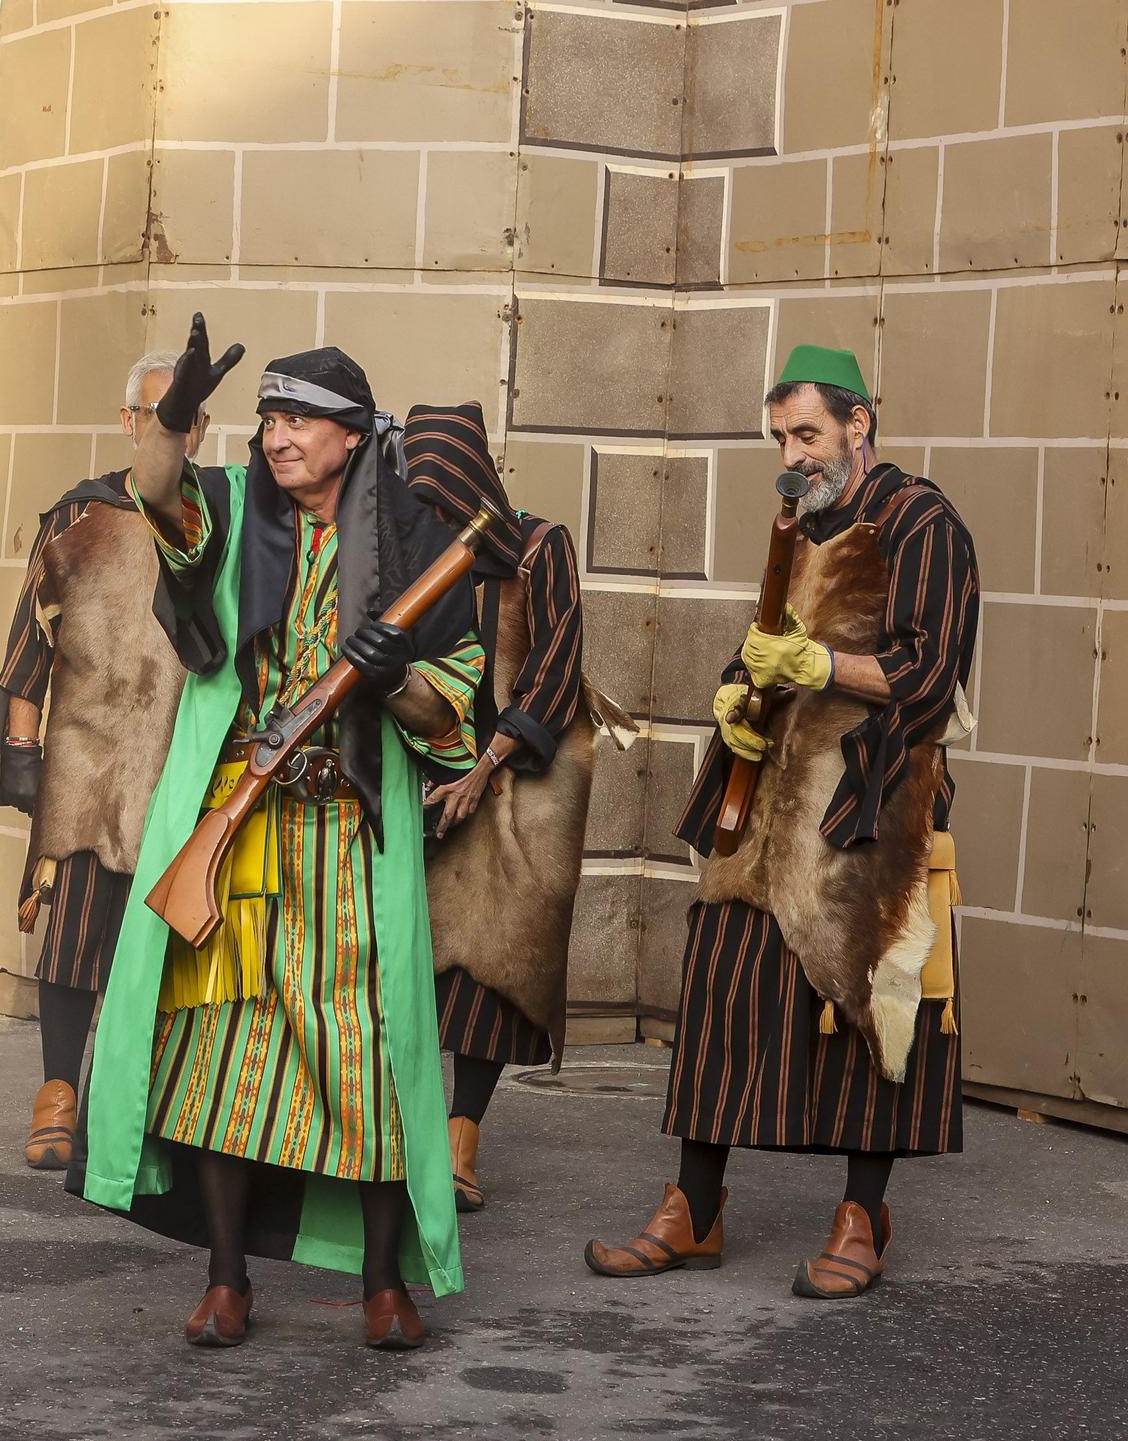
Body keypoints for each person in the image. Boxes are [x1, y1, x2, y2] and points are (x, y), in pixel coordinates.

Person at [74, 315, 477, 1351]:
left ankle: (384, 1284)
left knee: (369, 1057)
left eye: (301, 418)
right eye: (269, 417)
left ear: (352, 437)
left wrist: (392, 681)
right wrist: (171, 419)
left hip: (351, 837)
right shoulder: (229, 508)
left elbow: (451, 713)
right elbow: (155, 490)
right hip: (238, 828)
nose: (279, 433)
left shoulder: (416, 544)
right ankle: (224, 1279)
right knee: (220, 1052)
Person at [584, 345, 979, 1300]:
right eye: (780, 437)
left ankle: (861, 1214)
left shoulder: (920, 521)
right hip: (762, 806)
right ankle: (696, 1205)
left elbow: (933, 672)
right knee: (723, 986)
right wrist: (734, 690)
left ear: (860, 422)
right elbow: (763, 646)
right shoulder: (796, 526)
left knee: (865, 1002)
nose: (793, 454)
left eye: (807, 432)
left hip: (866, 802)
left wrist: (825, 670)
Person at [404, 402, 627, 1214]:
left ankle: (461, 1140)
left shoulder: (539, 547)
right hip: (435, 771)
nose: (431, 517)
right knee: (423, 949)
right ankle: (409, 1130)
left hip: (523, 779)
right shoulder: (411, 553)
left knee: (495, 964)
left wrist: (490, 763)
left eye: (442, 501)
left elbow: (559, 660)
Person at [0, 350, 195, 1171]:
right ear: (127, 422)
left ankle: (140, 1103)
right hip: (83, 758)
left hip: (173, 762)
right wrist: (23, 751)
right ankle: (57, 1096)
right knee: (72, 933)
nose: (169, 432)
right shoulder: (79, 513)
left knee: (162, 942)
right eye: (155, 416)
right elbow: (28, 646)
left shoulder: (215, 520)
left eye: (185, 420)